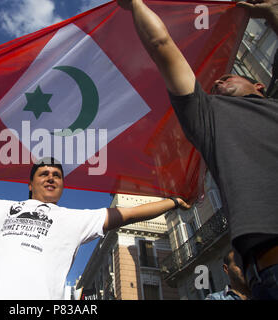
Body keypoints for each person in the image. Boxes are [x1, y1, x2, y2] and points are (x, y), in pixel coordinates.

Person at [117, 0, 278, 299]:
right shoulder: (210, 116)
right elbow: (161, 44)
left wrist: (270, 13)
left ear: (259, 86)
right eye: (217, 81)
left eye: (228, 76)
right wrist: (136, 3)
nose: (218, 80)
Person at [0, 158, 190, 299]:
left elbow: (129, 214)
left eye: (56, 175)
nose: (51, 177)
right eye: (44, 174)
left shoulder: (74, 219)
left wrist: (173, 201)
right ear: (30, 184)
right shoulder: (1, 208)